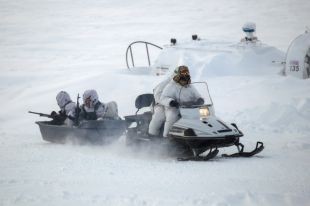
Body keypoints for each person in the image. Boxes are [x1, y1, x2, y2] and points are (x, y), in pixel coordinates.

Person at [150, 65, 204, 137]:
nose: (185, 75)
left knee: (203, 115)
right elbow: (162, 97)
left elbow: (197, 95)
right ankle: (166, 136)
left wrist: (200, 100)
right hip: (173, 107)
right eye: (183, 73)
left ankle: (202, 133)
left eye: (186, 73)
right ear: (178, 74)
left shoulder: (190, 86)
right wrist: (171, 102)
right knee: (171, 115)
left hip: (188, 107)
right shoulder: (170, 85)